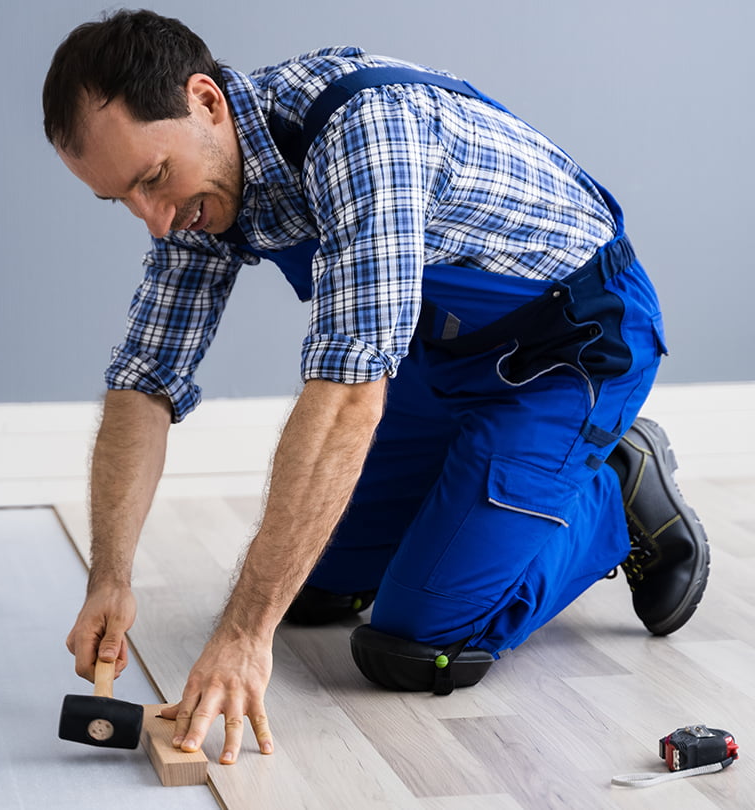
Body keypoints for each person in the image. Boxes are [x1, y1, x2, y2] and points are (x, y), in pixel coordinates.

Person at [41, 9, 710, 767]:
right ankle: (483, 495)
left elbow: (348, 399)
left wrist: (241, 636)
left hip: (571, 350)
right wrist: (110, 578)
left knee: (415, 644)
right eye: (123, 199)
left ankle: (618, 490)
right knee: (311, 591)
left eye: (154, 180)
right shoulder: (199, 197)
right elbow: (145, 381)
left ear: (206, 101)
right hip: (438, 356)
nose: (156, 223)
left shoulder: (363, 134)